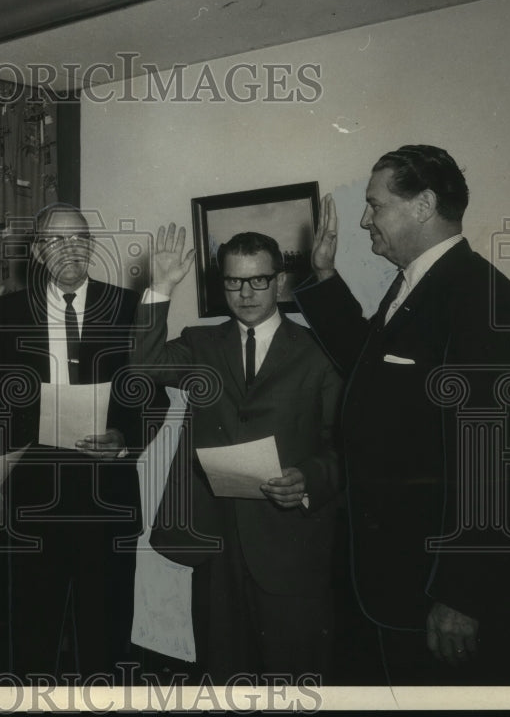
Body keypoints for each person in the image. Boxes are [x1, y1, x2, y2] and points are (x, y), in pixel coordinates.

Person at [293, 144, 510, 684]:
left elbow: (492, 460)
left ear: (424, 204)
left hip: (439, 596)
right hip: (395, 581)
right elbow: (372, 366)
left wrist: (462, 595)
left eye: (375, 206)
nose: (364, 220)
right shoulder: (418, 286)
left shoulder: (478, 295)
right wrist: (324, 276)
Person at [0, 203, 165, 679]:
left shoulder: (127, 307)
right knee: (32, 640)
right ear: (37, 252)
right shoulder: (8, 311)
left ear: (91, 245)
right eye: (56, 240)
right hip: (33, 502)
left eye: (79, 238)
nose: (69, 249)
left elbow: (150, 392)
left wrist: (126, 437)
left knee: (108, 641)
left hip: (107, 499)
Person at [134, 226, 342, 683]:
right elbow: (145, 366)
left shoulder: (318, 350)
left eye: (258, 280)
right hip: (217, 544)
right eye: (233, 281)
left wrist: (309, 477)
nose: (245, 293)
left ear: (280, 282)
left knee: (295, 679)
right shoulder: (201, 344)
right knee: (225, 679)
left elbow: (341, 445)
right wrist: (161, 287)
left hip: (293, 547)